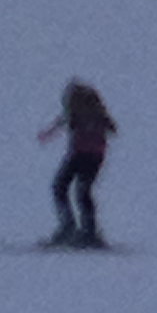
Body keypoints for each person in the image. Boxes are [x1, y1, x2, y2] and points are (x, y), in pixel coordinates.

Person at [39, 79, 117, 248]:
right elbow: (61, 122)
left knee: (81, 190)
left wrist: (91, 124)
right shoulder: (75, 112)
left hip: (90, 156)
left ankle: (88, 231)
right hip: (78, 154)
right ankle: (70, 227)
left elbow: (111, 127)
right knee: (62, 187)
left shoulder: (93, 112)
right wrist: (48, 134)